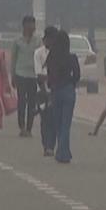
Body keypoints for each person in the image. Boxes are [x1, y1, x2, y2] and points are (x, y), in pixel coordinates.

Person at [45, 30, 80, 163]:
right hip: (68, 90)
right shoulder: (71, 57)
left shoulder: (51, 57)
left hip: (55, 91)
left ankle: (62, 151)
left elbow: (49, 77)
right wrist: (71, 82)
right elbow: (77, 75)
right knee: (66, 124)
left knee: (58, 123)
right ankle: (63, 152)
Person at [11, 16, 41, 137]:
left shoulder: (38, 41)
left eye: (34, 25)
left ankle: (29, 128)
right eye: (31, 25)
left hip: (33, 75)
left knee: (32, 103)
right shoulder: (17, 41)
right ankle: (22, 127)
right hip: (20, 74)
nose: (33, 27)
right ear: (25, 26)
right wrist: (12, 75)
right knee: (22, 101)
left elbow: (40, 58)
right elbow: (14, 59)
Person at [35, 26, 57, 155]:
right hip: (42, 90)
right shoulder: (38, 53)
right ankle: (46, 144)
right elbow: (39, 76)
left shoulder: (58, 53)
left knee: (54, 119)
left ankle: (51, 146)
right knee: (45, 119)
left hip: (55, 90)